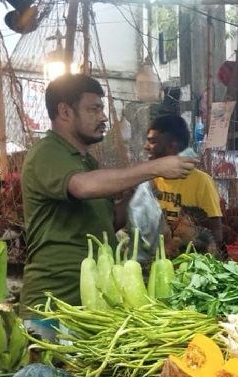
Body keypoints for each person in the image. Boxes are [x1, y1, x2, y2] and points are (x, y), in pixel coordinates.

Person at [20, 74, 195, 326]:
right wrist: (154, 168)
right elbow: (82, 187)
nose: (103, 117)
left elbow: (108, 222)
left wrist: (137, 191)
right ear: (65, 111)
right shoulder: (47, 151)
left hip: (92, 305)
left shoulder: (87, 162)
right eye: (94, 109)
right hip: (53, 305)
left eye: (102, 109)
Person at [145, 114, 223, 246]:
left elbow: (216, 234)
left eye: (153, 142)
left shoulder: (201, 181)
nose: (146, 146)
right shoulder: (149, 180)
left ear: (172, 146)